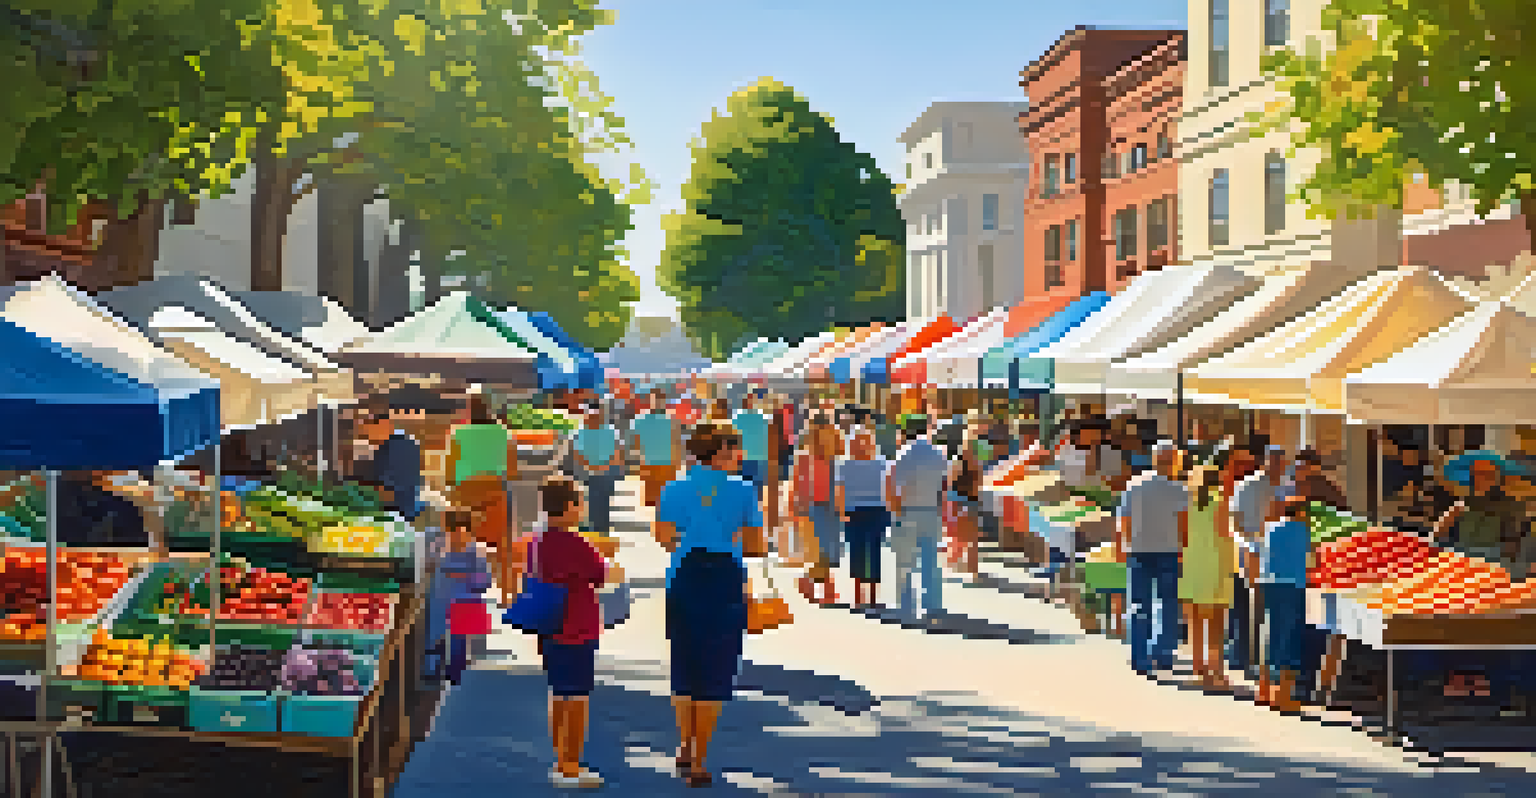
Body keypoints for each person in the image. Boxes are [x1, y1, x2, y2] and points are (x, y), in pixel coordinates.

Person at [653, 423, 766, 788]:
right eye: (734, 449)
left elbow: (664, 538)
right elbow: (755, 545)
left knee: (684, 662)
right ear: (719, 452)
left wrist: (692, 539)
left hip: (684, 576)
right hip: (724, 577)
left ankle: (684, 744)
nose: (739, 456)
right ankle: (699, 759)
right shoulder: (744, 490)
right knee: (717, 666)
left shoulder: (673, 487)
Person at [534, 476, 622, 788]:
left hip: (549, 625)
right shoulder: (576, 542)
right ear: (570, 507)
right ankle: (570, 765)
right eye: (580, 503)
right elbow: (600, 574)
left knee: (558, 693)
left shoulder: (538, 539)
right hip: (576, 626)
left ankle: (560, 757)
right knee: (578, 697)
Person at [1117, 442, 1189, 676]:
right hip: (1168, 551)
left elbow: (1124, 521)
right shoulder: (1179, 490)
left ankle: (1140, 656)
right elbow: (1183, 526)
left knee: (1139, 605)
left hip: (1138, 550)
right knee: (1166, 604)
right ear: (1174, 461)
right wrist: (1183, 550)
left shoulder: (1134, 485)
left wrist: (1126, 545)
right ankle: (1163, 653)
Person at [446, 393, 519, 603]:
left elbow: (449, 473)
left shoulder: (458, 433)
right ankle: (508, 594)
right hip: (494, 492)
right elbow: (513, 471)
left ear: (468, 410)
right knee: (504, 547)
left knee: (457, 546)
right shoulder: (503, 433)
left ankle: (455, 594)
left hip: (464, 494)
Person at [1227, 445, 1285, 678]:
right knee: (1245, 608)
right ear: (1266, 462)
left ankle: (1260, 661)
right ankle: (1243, 657)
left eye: (1280, 463)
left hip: (1274, 558)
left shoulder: (1283, 488)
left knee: (1265, 610)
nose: (1278, 467)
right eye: (1275, 462)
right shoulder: (1247, 486)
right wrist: (1248, 543)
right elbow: (1234, 522)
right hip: (1249, 555)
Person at [887, 414, 949, 622]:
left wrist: (896, 512)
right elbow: (944, 487)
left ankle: (906, 608)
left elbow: (892, 485)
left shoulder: (904, 454)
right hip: (932, 510)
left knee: (905, 562)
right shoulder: (939, 454)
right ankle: (932, 605)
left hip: (908, 511)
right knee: (930, 561)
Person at [1178, 465, 1235, 689]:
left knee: (1195, 623)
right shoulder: (1220, 501)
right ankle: (1217, 672)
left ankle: (1198, 669)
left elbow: (1182, 535)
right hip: (1216, 566)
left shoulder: (1187, 502)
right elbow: (1224, 533)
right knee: (1216, 624)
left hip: (1192, 566)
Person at [1255, 496, 1313, 713]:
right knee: (1289, 637)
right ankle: (1283, 696)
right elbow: (1310, 559)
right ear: (1300, 512)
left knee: (1270, 635)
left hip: (1268, 583)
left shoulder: (1270, 528)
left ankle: (1264, 691)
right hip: (1292, 585)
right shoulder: (1302, 530)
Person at [837, 428, 891, 608]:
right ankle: (869, 597)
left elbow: (840, 490)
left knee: (858, 552)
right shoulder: (882, 463)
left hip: (857, 511)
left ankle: (861, 597)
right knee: (871, 552)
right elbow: (889, 487)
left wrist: (841, 511)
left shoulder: (844, 465)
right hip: (875, 510)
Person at [794, 413, 845, 605]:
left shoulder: (833, 453)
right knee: (822, 549)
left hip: (829, 504)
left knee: (830, 549)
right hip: (817, 505)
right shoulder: (807, 455)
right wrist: (799, 505)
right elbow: (800, 481)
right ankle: (814, 583)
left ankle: (824, 587)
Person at [440, 510, 493, 685]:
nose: (458, 534)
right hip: (451, 602)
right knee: (455, 642)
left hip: (464, 602)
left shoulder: (476, 551)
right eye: (453, 530)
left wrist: (460, 575)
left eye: (462, 529)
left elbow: (484, 581)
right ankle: (453, 674)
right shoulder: (441, 549)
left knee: (459, 642)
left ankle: (454, 675)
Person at [572, 408, 623, 537]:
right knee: (597, 502)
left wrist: (599, 467)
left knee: (600, 502)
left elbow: (617, 452)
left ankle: (600, 530)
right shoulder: (583, 432)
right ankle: (599, 530)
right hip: (595, 472)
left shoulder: (608, 432)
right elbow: (578, 454)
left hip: (600, 472)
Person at [632, 392, 683, 508]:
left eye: (660, 399)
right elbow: (636, 442)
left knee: (667, 498)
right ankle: (657, 522)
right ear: (650, 400)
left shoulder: (672, 419)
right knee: (652, 501)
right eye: (655, 399)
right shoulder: (641, 419)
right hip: (649, 464)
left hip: (667, 464)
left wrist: (678, 462)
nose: (658, 402)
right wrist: (639, 462)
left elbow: (677, 441)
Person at [945, 445, 983, 579]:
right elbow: (978, 485)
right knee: (972, 539)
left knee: (957, 535)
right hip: (971, 501)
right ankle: (973, 570)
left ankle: (955, 563)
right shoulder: (977, 465)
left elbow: (950, 481)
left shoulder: (956, 461)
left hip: (958, 500)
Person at [732, 394, 772, 493]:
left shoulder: (738, 418)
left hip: (746, 457)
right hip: (758, 456)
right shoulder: (762, 417)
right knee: (758, 488)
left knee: (744, 486)